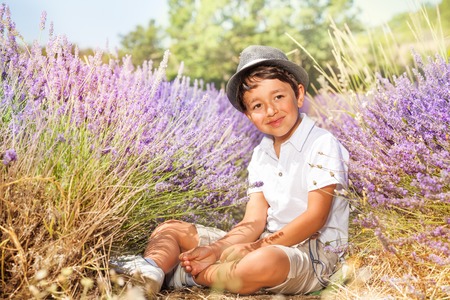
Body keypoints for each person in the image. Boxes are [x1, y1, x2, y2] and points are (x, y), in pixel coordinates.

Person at [110, 45, 349, 297]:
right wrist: (216, 250)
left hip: (313, 254)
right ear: (247, 115)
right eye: (257, 105)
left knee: (261, 263)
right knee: (169, 230)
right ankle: (152, 272)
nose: (270, 111)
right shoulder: (261, 154)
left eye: (278, 97)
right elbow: (253, 221)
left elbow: (315, 217)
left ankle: (191, 275)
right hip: (265, 241)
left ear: (299, 95)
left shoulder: (322, 143)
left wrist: (254, 247)